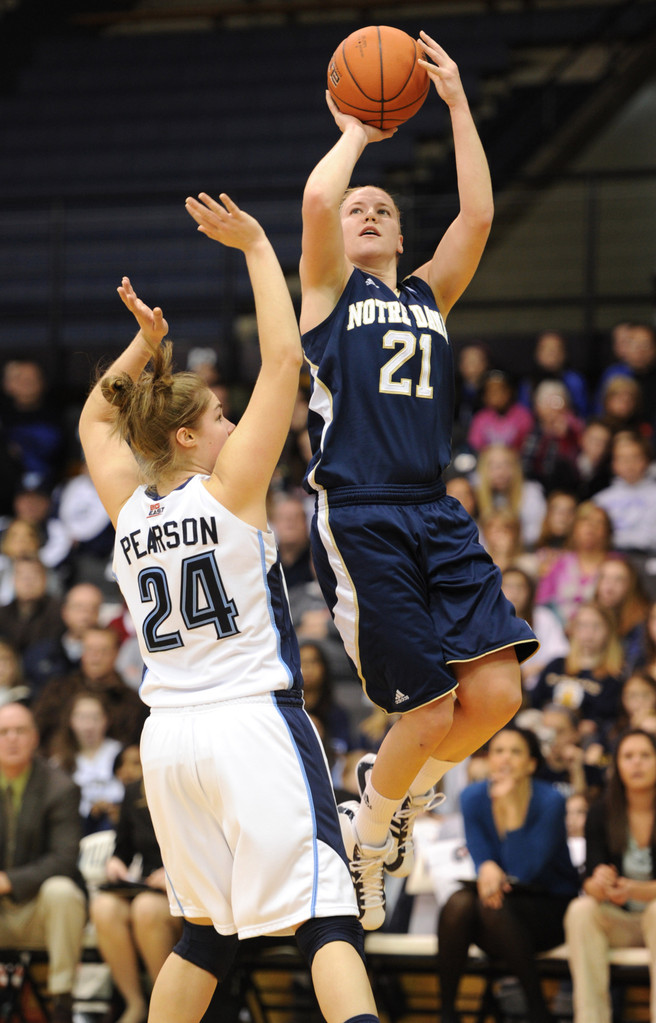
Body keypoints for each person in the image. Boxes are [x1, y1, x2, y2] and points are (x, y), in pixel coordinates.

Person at [78, 192, 380, 1023]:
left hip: (170, 739)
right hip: (251, 724)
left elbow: (94, 419)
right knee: (328, 911)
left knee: (206, 933)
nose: (234, 420)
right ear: (184, 438)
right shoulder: (233, 490)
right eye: (218, 415)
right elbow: (285, 362)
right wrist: (254, 248)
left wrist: (145, 347)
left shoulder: (128, 506)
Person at [298, 31, 537, 929]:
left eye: (381, 208)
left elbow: (476, 219)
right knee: (432, 710)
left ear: (401, 233)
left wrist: (460, 106)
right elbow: (321, 192)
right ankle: (369, 838)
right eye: (356, 208)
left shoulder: (427, 297)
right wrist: (357, 131)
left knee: (499, 695)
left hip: (433, 510)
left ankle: (392, 792)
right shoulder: (326, 295)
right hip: (360, 512)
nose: (362, 211)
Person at [437, 725, 579, 1023]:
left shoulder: (551, 801)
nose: (505, 759)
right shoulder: (473, 797)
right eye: (499, 751)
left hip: (550, 909)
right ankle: (448, 1013)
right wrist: (486, 865)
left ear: (531, 764)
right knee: (459, 903)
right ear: (489, 760)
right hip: (499, 907)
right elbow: (480, 854)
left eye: (516, 752)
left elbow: (523, 871)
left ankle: (537, 1010)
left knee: (492, 906)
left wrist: (512, 808)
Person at [0, 702, 87, 1023]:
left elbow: (64, 859)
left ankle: (62, 1001)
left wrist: (9, 881)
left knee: (62, 891)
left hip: (38, 909)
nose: (11, 739)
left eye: (20, 731)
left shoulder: (60, 788)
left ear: (35, 738)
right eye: (3, 732)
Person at [565, 728, 656, 1023]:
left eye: (645, 756)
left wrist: (633, 889)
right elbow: (589, 882)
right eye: (628, 756)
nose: (637, 763)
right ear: (617, 765)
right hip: (620, 920)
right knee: (581, 910)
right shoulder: (601, 811)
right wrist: (601, 883)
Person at [90, 750, 182, 1023]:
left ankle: (166, 1006)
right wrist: (116, 862)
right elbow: (124, 849)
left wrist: (178, 875)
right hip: (148, 885)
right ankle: (134, 1003)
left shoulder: (193, 782)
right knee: (104, 906)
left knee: (146, 909)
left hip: (188, 890)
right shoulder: (134, 792)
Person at [50, 691, 124, 835]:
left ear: (106, 720)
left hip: (116, 829)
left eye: (95, 718)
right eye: (82, 718)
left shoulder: (121, 754)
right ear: (70, 720)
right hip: (75, 831)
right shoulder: (58, 762)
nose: (89, 726)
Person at [535, 501, 613, 629]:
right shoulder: (558, 563)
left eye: (598, 522)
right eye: (585, 521)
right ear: (574, 528)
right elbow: (543, 603)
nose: (591, 527)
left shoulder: (615, 564)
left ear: (608, 531)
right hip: (559, 632)